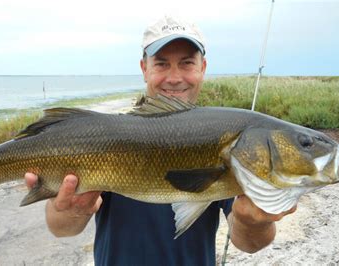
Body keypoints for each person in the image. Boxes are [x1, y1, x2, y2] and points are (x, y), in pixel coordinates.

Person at [24, 15, 296, 265]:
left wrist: (255, 223)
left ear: (203, 68)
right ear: (144, 68)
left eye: (187, 63)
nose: (175, 78)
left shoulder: (223, 135)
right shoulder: (106, 136)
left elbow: (248, 243)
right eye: (162, 63)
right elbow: (61, 228)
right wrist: (72, 212)